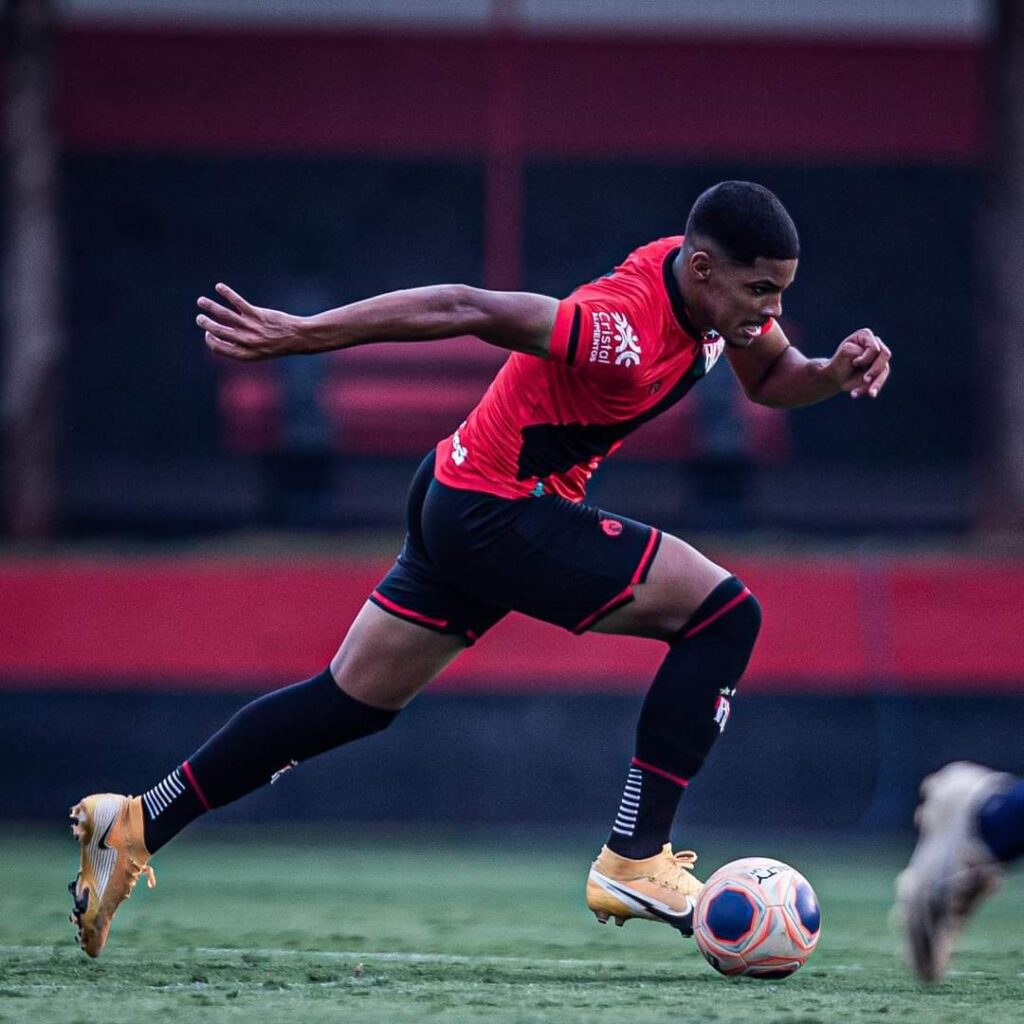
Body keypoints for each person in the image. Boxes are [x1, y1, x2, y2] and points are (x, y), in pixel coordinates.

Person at [68, 180, 892, 957]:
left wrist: (830, 375)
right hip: (497, 512)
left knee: (345, 702)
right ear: (705, 269)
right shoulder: (620, 329)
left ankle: (135, 824)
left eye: (782, 291)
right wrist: (303, 334)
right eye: (762, 291)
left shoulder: (712, 296)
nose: (775, 310)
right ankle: (634, 860)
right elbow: (465, 307)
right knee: (724, 614)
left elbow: (774, 380)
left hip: (457, 489)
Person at [896, 761, 1024, 982]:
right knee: (927, 898)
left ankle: (971, 868)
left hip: (982, 807)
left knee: (935, 899)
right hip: (966, 808)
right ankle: (963, 867)